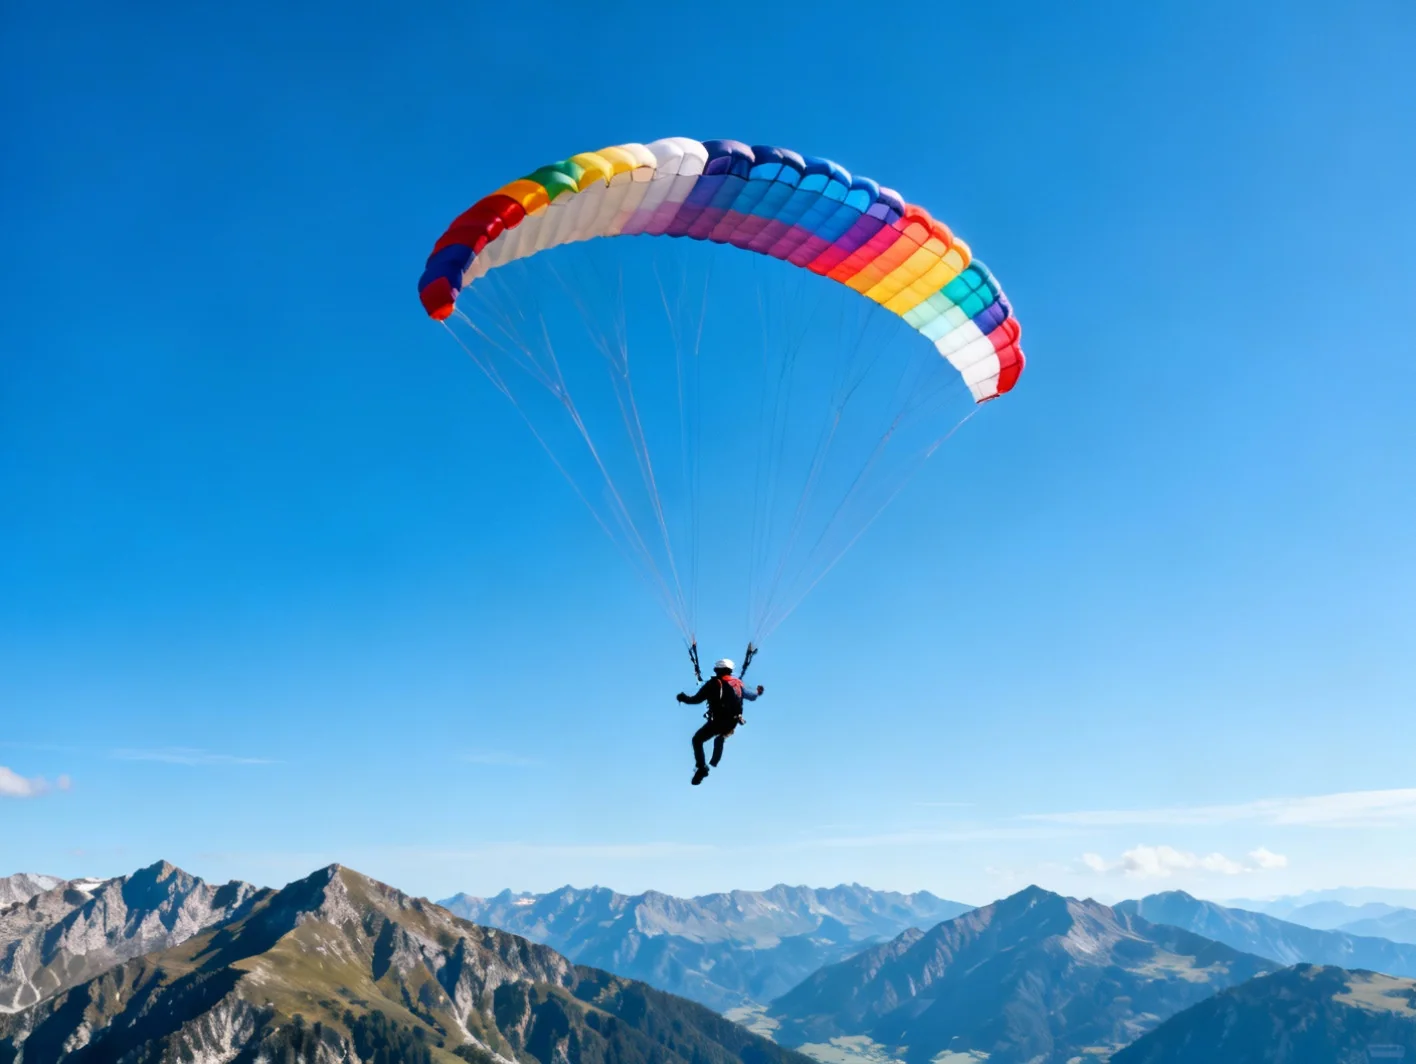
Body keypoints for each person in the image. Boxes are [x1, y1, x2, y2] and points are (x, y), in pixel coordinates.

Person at [677, 658, 764, 785]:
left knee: (697, 740)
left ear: (717, 670)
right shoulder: (738, 683)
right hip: (732, 722)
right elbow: (752, 696)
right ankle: (721, 738)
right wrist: (758, 692)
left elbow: (696, 700)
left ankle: (702, 768)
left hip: (717, 723)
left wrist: (682, 698)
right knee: (720, 734)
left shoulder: (712, 684)